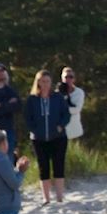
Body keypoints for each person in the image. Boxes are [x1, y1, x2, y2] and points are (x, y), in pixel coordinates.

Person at [25, 70, 70, 204]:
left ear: (51, 83)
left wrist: (60, 126)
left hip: (58, 137)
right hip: (39, 139)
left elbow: (66, 114)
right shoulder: (32, 99)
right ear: (38, 82)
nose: (45, 84)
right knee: (43, 166)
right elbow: (28, 118)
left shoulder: (57, 97)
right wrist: (35, 129)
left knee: (58, 165)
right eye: (42, 81)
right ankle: (46, 197)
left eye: (47, 81)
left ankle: (60, 196)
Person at [60, 67, 85, 144]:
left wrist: (64, 109)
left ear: (74, 79)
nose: (68, 79)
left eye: (70, 77)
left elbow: (77, 109)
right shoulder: (57, 94)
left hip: (75, 131)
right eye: (66, 77)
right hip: (61, 132)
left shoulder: (79, 93)